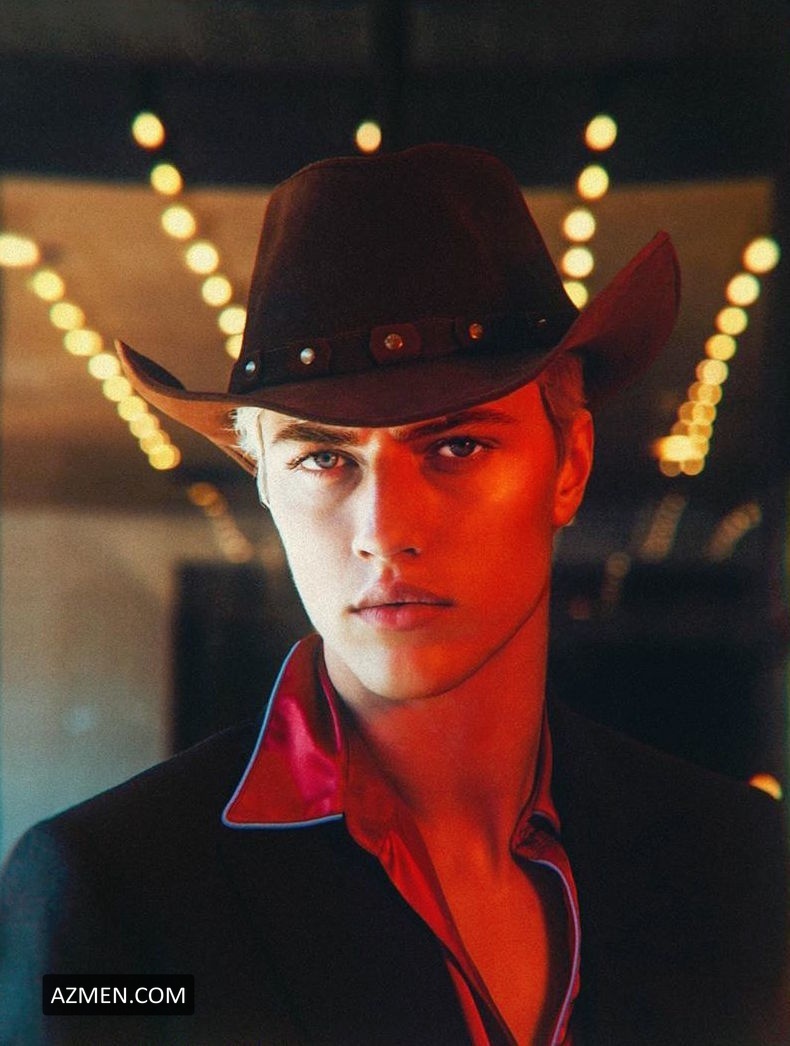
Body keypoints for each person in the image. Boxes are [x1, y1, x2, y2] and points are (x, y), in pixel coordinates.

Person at [0, 144, 786, 1045]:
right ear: (266, 485)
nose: (384, 528)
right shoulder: (117, 895)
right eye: (322, 457)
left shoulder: (737, 861)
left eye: (457, 446)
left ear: (569, 464)